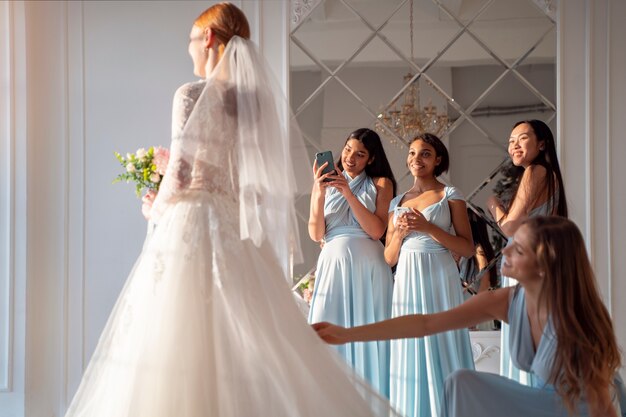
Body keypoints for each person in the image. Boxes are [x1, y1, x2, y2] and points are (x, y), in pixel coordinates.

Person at [64, 3, 396, 416]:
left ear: (208, 39)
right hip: (235, 228)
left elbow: (182, 174)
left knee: (176, 336)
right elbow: (246, 184)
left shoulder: (190, 94)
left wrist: (155, 209)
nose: (190, 52)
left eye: (191, 41)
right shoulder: (255, 105)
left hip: (195, 219)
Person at [315, 216, 625, 417]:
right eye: (510, 244)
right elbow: (425, 324)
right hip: (542, 404)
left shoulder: (576, 318)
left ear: (544, 265)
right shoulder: (507, 300)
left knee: (462, 382)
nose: (504, 253)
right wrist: (345, 333)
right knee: (461, 382)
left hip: (580, 412)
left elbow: (602, 404)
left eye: (518, 250)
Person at [384, 133, 476, 417]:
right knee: (410, 342)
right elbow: (388, 257)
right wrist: (398, 233)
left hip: (440, 276)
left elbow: (467, 248)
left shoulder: (450, 195)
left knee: (443, 339)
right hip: (407, 279)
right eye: (412, 153)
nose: (416, 159)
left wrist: (429, 229)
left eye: (425, 153)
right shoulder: (397, 201)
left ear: (438, 160)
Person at [307, 128, 396, 397]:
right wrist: (320, 191)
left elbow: (376, 231)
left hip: (369, 267)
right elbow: (316, 234)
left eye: (360, 154)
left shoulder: (381, 183)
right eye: (347, 150)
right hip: (332, 265)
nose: (350, 158)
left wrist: (347, 193)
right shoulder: (323, 182)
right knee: (328, 328)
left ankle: (374, 401)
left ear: (370, 159)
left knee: (367, 331)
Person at [487, 119, 568, 384]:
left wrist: (494, 207)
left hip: (527, 263)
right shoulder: (550, 175)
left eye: (522, 138)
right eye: (511, 141)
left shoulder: (535, 171)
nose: (514, 145)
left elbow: (510, 227)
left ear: (541, 143)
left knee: (528, 338)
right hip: (540, 262)